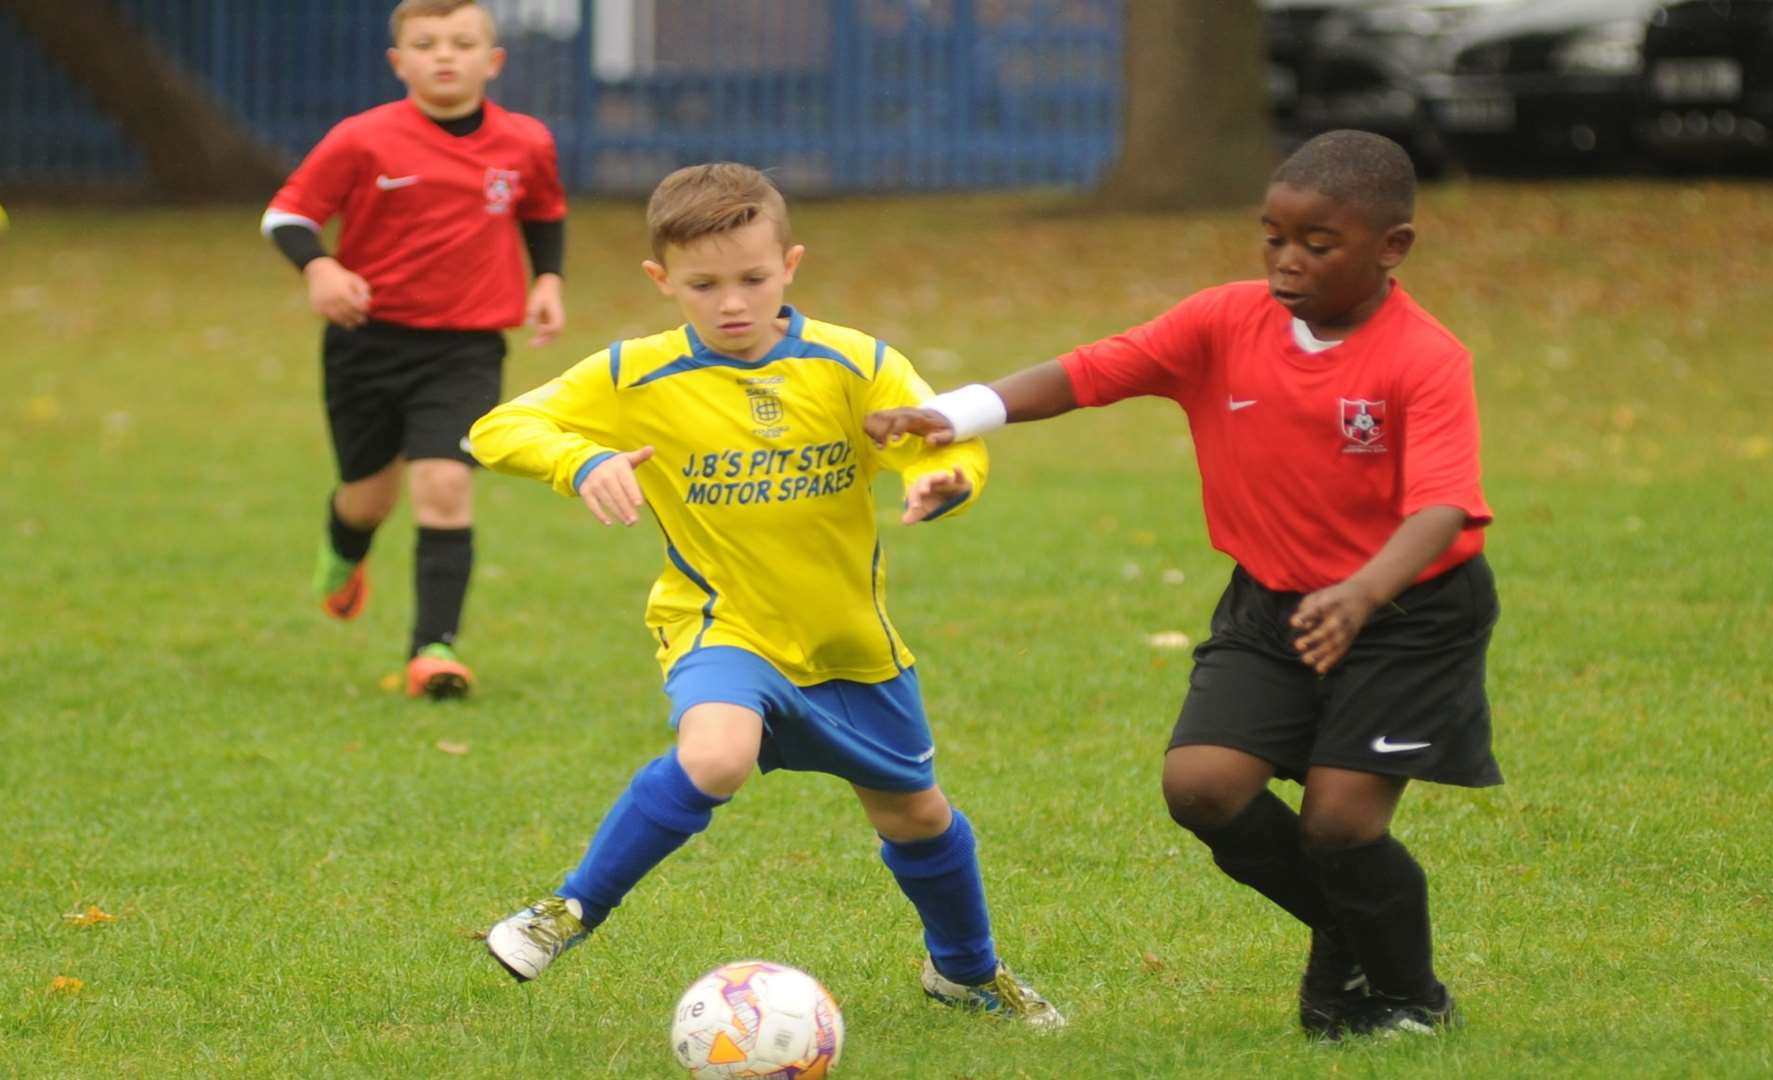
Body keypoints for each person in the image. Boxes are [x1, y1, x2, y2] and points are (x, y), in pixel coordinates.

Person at [865, 130, 1500, 1040]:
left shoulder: (1424, 359)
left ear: (1391, 248)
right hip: (1272, 600)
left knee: (1340, 825)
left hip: (1406, 613)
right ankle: (1355, 927)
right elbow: (1091, 371)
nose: (1287, 260)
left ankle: (1410, 1000)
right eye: (1273, 237)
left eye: (1318, 245)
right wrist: (957, 411)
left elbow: (1442, 509)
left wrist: (1361, 593)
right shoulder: (1223, 321)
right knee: (1202, 786)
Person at [469, 163, 1062, 1028]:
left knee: (918, 815)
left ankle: (965, 972)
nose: (731, 302)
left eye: (752, 279)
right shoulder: (637, 374)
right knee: (716, 755)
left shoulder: (854, 363)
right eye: (703, 285)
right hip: (723, 624)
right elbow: (498, 428)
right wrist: (584, 459)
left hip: (849, 644)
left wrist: (948, 481)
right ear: (661, 280)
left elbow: (944, 438)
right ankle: (565, 913)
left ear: (791, 264)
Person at [260, 0, 568, 698]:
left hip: (465, 349)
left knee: (444, 483)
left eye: (463, 42)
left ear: (493, 61)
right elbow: (287, 215)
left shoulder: (525, 142)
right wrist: (320, 266)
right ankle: (345, 547)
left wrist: (547, 277)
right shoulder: (362, 139)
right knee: (368, 499)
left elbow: (543, 210)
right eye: (426, 43)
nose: (445, 56)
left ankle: (434, 650)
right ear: (400, 63)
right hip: (366, 344)